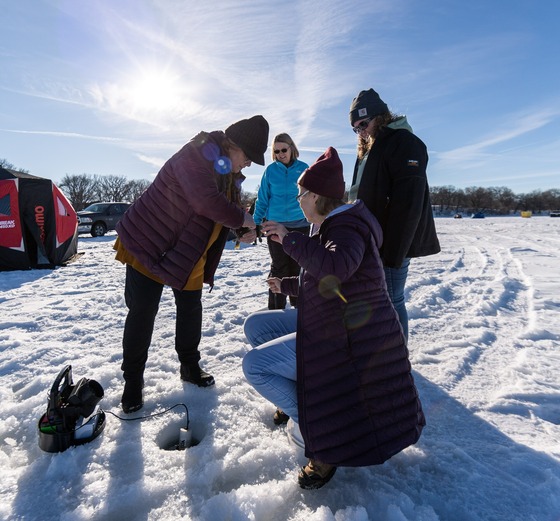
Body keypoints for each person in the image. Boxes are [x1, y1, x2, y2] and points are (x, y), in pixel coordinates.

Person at [242, 147, 425, 490]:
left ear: (318, 196)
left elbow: (337, 268)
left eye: (302, 194)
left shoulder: (346, 228)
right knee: (257, 326)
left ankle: (315, 425)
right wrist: (287, 284)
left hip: (349, 339)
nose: (298, 200)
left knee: (255, 366)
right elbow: (323, 280)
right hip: (328, 321)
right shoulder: (327, 226)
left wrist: (288, 238)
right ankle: (302, 395)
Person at [114, 115, 269, 413]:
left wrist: (241, 229)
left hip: (186, 252)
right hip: (149, 243)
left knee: (190, 307)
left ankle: (189, 366)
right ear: (231, 145)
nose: (248, 164)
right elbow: (204, 201)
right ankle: (132, 380)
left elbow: (226, 210)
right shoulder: (195, 153)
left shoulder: (230, 175)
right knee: (143, 312)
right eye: (248, 157)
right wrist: (242, 219)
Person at [348, 88, 440, 341]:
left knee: (390, 298)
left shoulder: (404, 143)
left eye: (364, 123)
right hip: (372, 238)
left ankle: (397, 356)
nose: (361, 131)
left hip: (391, 242)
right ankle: (386, 353)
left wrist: (393, 254)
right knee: (379, 298)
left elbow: (408, 203)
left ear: (382, 116)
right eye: (356, 128)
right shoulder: (370, 148)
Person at [252, 133, 309, 310]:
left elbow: (313, 198)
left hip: (300, 225)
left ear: (292, 148)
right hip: (275, 226)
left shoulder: (304, 168)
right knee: (279, 267)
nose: (280, 154)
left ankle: (299, 311)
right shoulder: (270, 171)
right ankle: (275, 310)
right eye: (276, 151)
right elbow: (262, 199)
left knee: (297, 267)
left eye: (284, 149)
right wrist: (254, 225)